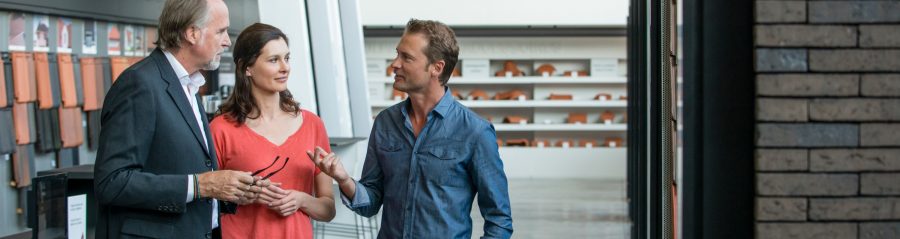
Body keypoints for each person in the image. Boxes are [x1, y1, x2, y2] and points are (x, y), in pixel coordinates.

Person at [310, 18, 514, 238]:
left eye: (406, 57)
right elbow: (370, 203)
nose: (394, 64)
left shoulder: (475, 132)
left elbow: (499, 220)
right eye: (397, 54)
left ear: (437, 67)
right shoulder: (385, 122)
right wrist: (344, 179)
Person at [93, 0, 268, 238]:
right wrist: (200, 185)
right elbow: (112, 183)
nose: (227, 41)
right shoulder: (140, 84)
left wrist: (229, 191)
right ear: (192, 33)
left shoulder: (188, 85)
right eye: (220, 31)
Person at [210, 23, 336, 239]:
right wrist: (240, 195)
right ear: (246, 68)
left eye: (286, 58)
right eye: (273, 60)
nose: (284, 67)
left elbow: (328, 210)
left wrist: (301, 200)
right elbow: (204, 200)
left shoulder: (313, 125)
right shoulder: (221, 129)